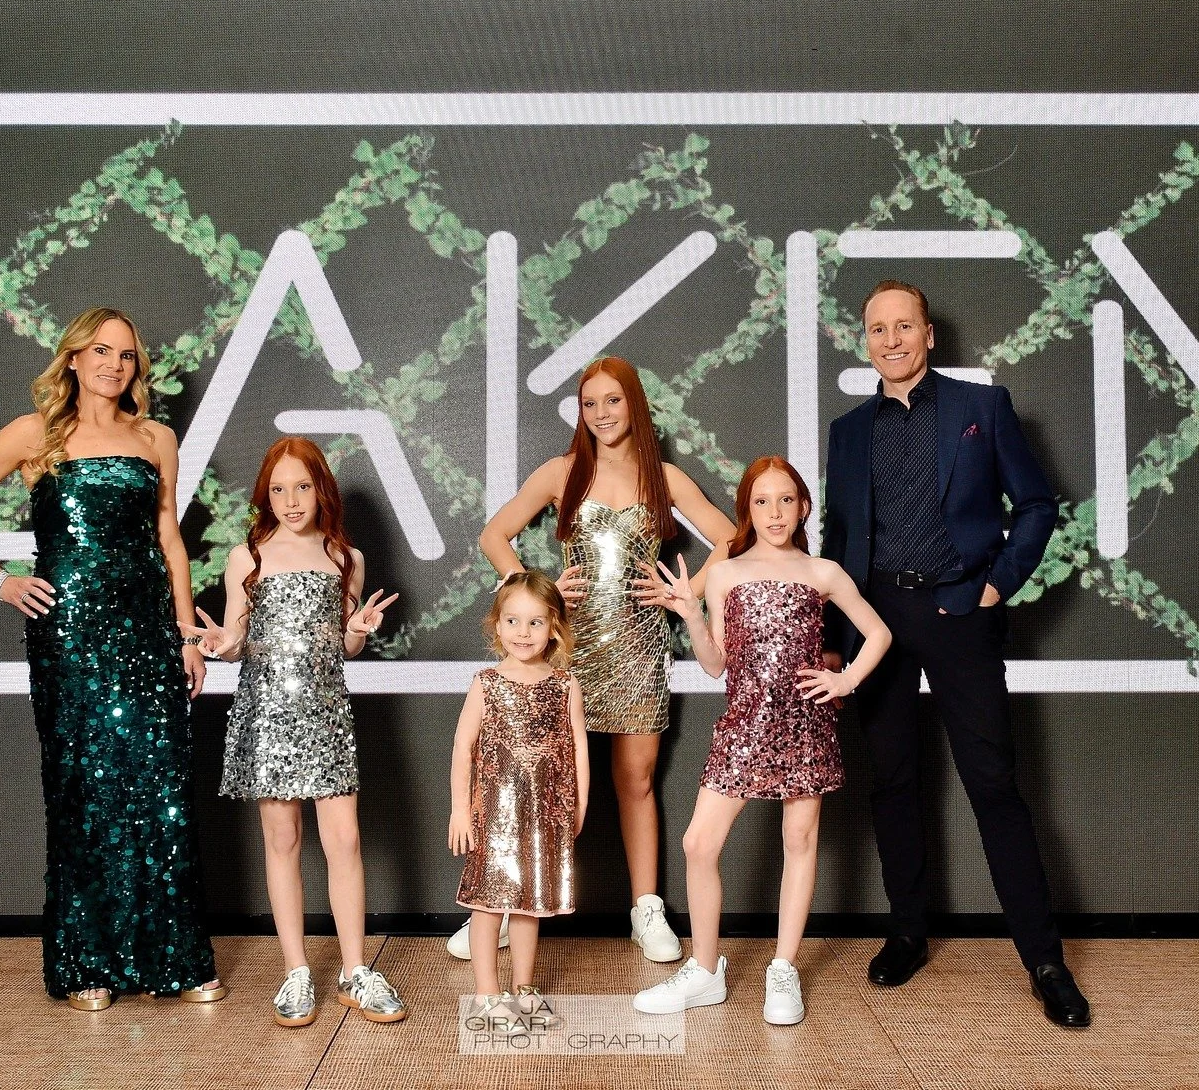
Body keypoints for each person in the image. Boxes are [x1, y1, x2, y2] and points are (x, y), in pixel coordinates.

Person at [0, 307, 223, 1011]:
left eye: (127, 355)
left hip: (147, 632)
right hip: (72, 638)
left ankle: (174, 961)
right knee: (84, 792)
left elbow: (169, 540)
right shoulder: (36, 434)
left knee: (161, 791)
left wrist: (185, 633)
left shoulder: (155, 438)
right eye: (102, 351)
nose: (115, 364)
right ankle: (88, 963)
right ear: (75, 359)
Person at [821, 280, 1091, 1028]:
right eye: (878, 329)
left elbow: (1037, 505)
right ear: (866, 340)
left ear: (929, 333)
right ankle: (908, 931)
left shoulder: (983, 408)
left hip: (958, 611)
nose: (891, 340)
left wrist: (996, 586)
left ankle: (1045, 961)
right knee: (893, 782)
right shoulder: (847, 431)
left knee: (993, 784)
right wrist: (832, 640)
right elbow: (837, 541)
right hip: (875, 619)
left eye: (903, 326)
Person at [464, 356, 736, 963]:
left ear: (634, 403)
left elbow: (731, 539)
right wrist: (538, 594)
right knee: (542, 780)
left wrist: (683, 594)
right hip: (566, 651)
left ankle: (646, 910)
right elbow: (493, 536)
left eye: (613, 400)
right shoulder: (562, 472)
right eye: (590, 403)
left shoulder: (663, 477)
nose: (602, 413)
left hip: (639, 649)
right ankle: (503, 902)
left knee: (636, 782)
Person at [630, 456, 892, 1025]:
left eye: (786, 500)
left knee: (800, 840)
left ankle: (783, 968)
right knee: (699, 843)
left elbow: (879, 633)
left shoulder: (823, 572)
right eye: (762, 501)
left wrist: (844, 680)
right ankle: (705, 970)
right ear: (746, 509)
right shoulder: (725, 573)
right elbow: (715, 664)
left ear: (803, 507)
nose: (775, 513)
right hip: (744, 725)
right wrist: (690, 613)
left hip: (804, 725)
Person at [188, 436, 406, 1027]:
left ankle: (355, 971)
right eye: (279, 489)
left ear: (321, 489)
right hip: (268, 715)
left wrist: (358, 629)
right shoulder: (248, 557)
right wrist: (221, 643)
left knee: (345, 841)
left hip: (326, 713)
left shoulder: (346, 557)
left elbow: (344, 647)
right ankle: (296, 971)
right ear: (265, 495)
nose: (290, 501)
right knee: (282, 841)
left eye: (302, 487)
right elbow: (238, 641)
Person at [449, 571, 590, 1034]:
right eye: (512, 621)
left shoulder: (565, 684)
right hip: (493, 817)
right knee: (489, 905)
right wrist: (460, 809)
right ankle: (487, 995)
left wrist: (578, 804)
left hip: (545, 816)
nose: (523, 633)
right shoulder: (487, 683)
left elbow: (578, 748)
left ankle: (524, 990)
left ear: (554, 627)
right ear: (497, 624)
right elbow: (463, 747)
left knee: (532, 905)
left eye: (535, 622)